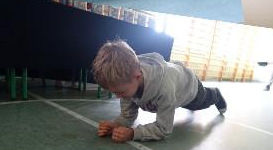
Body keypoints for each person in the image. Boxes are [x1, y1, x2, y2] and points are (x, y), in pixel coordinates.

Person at [92, 39, 227, 143]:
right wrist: (115, 125)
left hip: (190, 88)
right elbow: (127, 116)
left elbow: (164, 129)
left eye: (120, 93)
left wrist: (133, 133)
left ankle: (215, 93)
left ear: (137, 77)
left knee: (199, 104)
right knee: (172, 102)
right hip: (175, 85)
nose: (118, 97)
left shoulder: (164, 89)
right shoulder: (126, 82)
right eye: (115, 93)